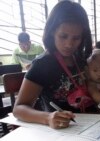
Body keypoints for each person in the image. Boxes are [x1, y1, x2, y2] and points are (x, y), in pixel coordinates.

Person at [13, 1, 94, 129]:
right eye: (63, 36)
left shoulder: (81, 58)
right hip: (63, 130)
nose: (69, 44)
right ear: (52, 32)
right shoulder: (42, 64)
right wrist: (47, 117)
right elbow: (18, 109)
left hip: (93, 123)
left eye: (76, 38)